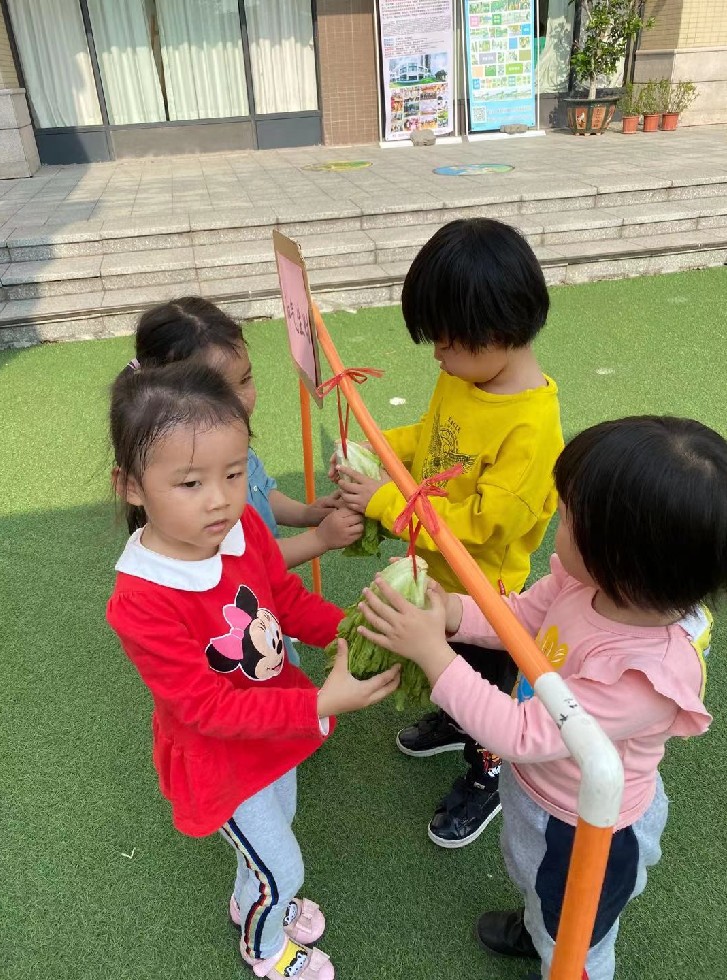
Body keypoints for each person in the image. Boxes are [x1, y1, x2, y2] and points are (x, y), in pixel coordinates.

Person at [354, 416, 724, 980]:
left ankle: (560, 954)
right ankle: (537, 927)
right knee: (535, 882)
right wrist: (451, 613)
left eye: (570, 516)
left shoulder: (643, 675)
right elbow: (522, 617)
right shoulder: (589, 584)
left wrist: (434, 655)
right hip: (541, 795)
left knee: (576, 935)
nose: (557, 519)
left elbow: (522, 733)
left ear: (620, 557)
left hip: (585, 829)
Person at [106, 361, 400, 980]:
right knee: (284, 867)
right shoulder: (141, 600)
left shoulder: (240, 528)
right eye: (190, 482)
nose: (220, 498)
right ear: (131, 486)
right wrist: (322, 703)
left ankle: (254, 898)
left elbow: (284, 600)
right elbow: (205, 708)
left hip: (273, 725)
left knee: (277, 834)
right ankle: (266, 952)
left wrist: (350, 632)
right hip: (218, 757)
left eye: (235, 473)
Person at [334, 218, 563, 847]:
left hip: (486, 597)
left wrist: (386, 500)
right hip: (437, 577)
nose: (436, 354)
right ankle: (453, 719)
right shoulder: (465, 376)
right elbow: (432, 439)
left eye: (445, 340)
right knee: (445, 670)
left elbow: (479, 527)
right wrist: (379, 452)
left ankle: (487, 774)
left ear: (494, 333)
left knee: (485, 691)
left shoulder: (532, 431)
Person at [133, 296, 364, 666]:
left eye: (245, 379)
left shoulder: (228, 446)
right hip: (237, 621)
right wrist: (320, 539)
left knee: (278, 661)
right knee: (264, 670)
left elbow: (260, 491)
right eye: (220, 390)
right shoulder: (194, 508)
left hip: (265, 605)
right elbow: (243, 562)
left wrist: (307, 513)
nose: (241, 400)